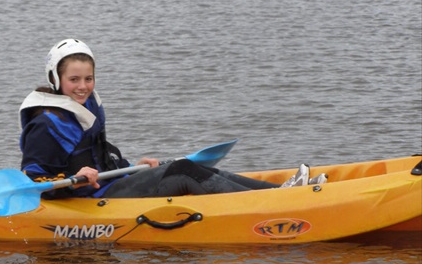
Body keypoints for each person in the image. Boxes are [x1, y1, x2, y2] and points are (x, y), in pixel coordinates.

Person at [19, 39, 326, 199]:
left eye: (88, 78)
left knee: (195, 167)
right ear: (56, 79)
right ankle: (275, 202)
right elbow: (34, 179)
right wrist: (72, 181)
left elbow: (97, 155)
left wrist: (131, 165)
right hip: (87, 198)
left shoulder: (86, 106)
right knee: (181, 172)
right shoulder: (46, 122)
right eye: (74, 79)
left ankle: (281, 191)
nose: (83, 86)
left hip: (108, 184)